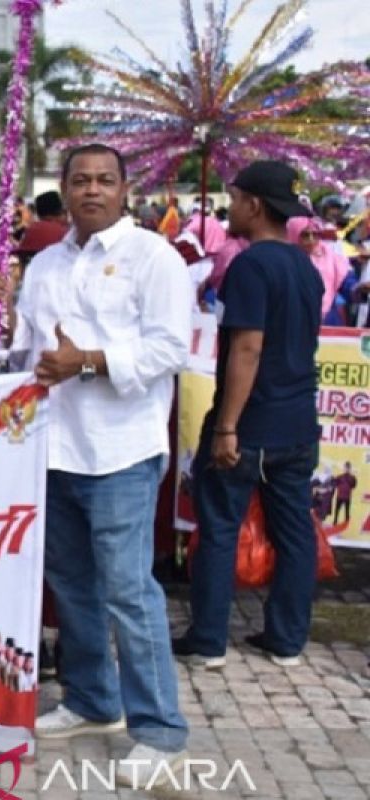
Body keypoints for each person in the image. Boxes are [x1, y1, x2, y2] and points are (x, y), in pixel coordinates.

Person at [0, 143, 192, 785]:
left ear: (125, 188)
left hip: (122, 448)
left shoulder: (153, 257)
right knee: (72, 586)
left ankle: (159, 730)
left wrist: (91, 361)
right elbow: (19, 358)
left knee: (129, 589)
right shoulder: (44, 264)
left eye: (104, 180)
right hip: (52, 446)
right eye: (80, 180)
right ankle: (93, 701)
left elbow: (170, 347)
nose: (92, 190)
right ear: (64, 189)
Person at [175, 161, 322, 671]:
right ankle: (287, 639)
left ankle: (209, 640)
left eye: (234, 198)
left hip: (252, 423)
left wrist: (228, 425)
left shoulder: (251, 267)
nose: (228, 207)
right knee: (295, 531)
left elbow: (247, 349)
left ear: (254, 205)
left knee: (218, 525)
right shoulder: (305, 265)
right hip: (299, 421)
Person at [287, 216, 352, 323]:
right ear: (293, 236)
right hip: (294, 318)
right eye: (305, 235)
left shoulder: (331, 257)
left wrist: (357, 289)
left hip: (328, 318)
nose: (311, 239)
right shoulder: (286, 260)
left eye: (315, 234)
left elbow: (347, 282)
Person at [333, 463, 357, 527]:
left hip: (347, 497)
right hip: (340, 496)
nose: (346, 469)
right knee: (337, 511)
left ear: (350, 469)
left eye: (348, 468)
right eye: (345, 468)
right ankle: (334, 524)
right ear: (344, 468)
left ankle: (346, 524)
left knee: (347, 512)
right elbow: (335, 483)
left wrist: (354, 478)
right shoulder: (340, 477)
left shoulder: (352, 477)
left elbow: (354, 486)